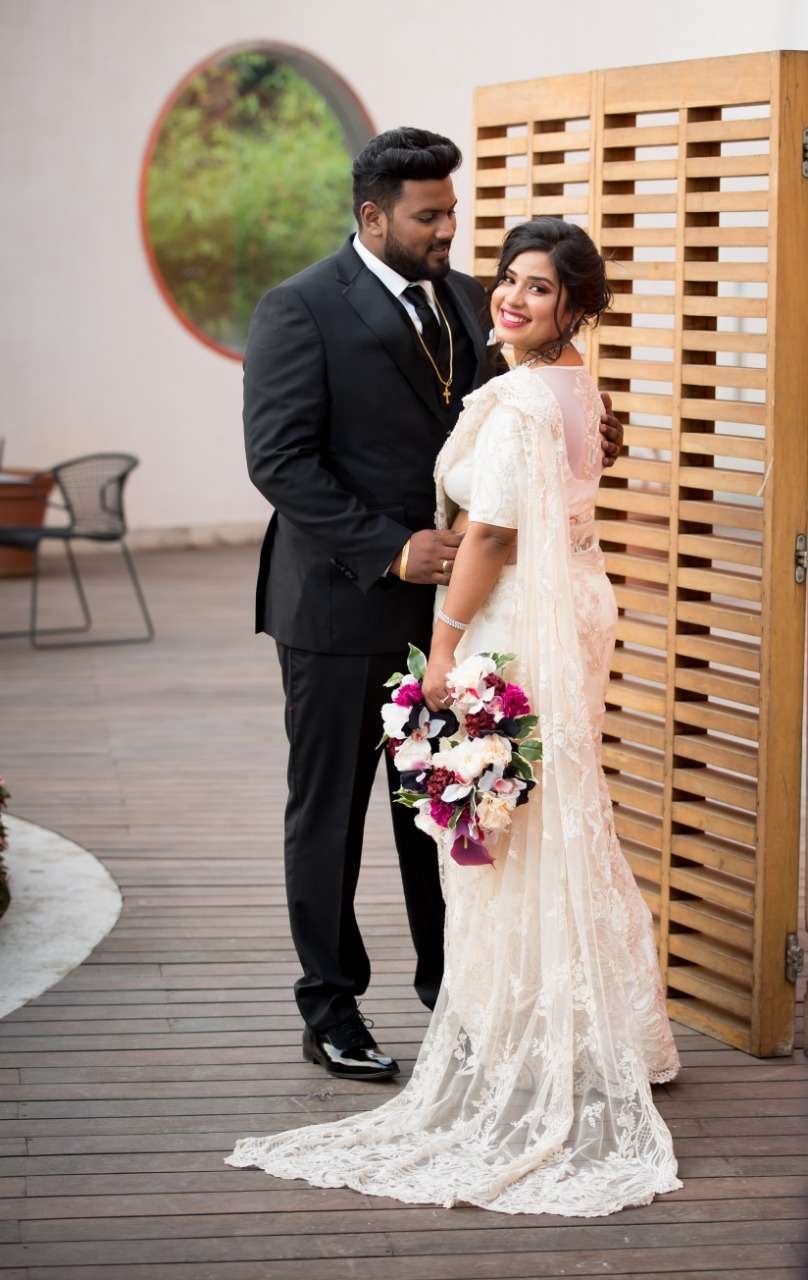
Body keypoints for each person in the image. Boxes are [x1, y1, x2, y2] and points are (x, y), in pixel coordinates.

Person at [229, 217, 681, 1216]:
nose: (504, 293)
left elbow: (497, 513)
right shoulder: (314, 311)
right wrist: (404, 561)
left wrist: (443, 646)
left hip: (499, 611)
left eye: (534, 286)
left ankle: (495, 1014)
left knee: (491, 819)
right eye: (505, 278)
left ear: (573, 305)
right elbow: (285, 458)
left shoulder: (499, 353)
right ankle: (384, 1011)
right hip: (461, 604)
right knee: (470, 806)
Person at [242, 129, 624, 1083]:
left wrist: (585, 432)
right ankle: (331, 1008)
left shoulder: (465, 296)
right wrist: (391, 547)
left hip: (462, 613)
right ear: (373, 215)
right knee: (330, 815)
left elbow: (510, 419)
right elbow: (279, 460)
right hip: (338, 609)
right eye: (429, 217)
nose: (449, 230)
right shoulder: (298, 308)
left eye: (452, 212)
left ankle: (451, 995)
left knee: (449, 810)